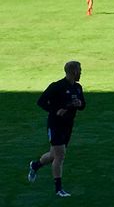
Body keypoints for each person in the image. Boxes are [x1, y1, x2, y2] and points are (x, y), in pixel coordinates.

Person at [27, 61, 86, 197]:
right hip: (55, 125)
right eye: (79, 70)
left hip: (68, 125)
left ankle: (35, 165)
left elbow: (83, 105)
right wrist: (55, 111)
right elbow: (41, 101)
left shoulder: (77, 87)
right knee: (60, 156)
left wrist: (79, 103)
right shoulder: (57, 86)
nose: (81, 73)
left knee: (54, 154)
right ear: (72, 72)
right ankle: (59, 189)